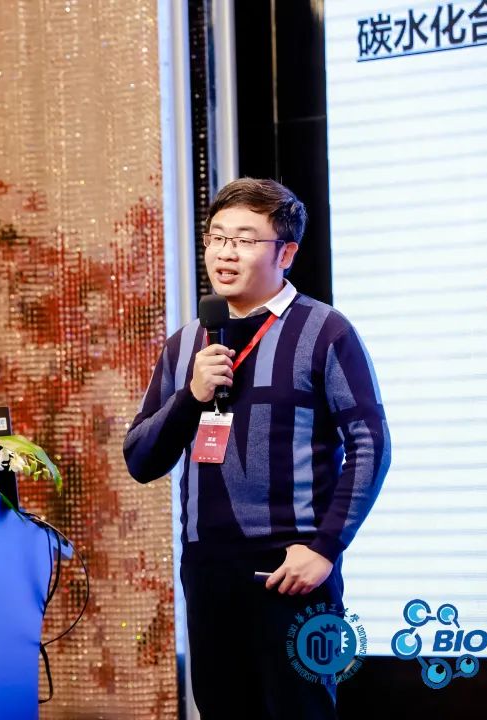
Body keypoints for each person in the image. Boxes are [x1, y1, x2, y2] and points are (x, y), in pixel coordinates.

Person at [123, 178, 390, 718]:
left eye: (245, 240)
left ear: (285, 253)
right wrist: (191, 397)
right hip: (208, 573)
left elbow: (370, 445)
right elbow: (141, 459)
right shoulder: (186, 344)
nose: (225, 252)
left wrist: (324, 548)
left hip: (292, 571)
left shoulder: (325, 331)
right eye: (217, 237)